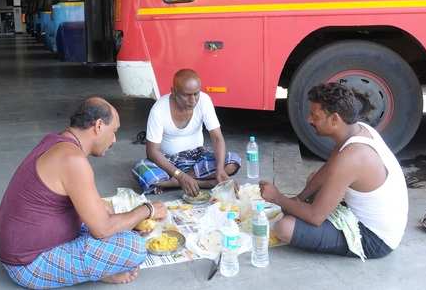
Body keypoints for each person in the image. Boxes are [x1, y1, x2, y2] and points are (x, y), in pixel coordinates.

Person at [0, 97, 167, 288]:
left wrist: (130, 219)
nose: (114, 140)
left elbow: (95, 210)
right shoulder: (72, 160)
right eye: (114, 132)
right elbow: (102, 229)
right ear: (99, 126)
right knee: (133, 247)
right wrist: (147, 210)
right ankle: (94, 272)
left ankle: (96, 270)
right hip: (28, 264)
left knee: (117, 220)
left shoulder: (57, 142)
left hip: (25, 247)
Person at [259, 83, 408, 259]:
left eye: (315, 115)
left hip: (375, 239)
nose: (309, 120)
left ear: (335, 119)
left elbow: (315, 217)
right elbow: (328, 169)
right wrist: (297, 199)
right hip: (371, 219)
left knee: (284, 228)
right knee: (314, 179)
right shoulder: (358, 130)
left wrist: (277, 198)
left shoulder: (352, 157)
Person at [132, 69, 241, 195]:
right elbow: (152, 152)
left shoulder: (204, 101)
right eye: (186, 95)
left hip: (198, 156)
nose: (193, 100)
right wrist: (179, 175)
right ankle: (205, 183)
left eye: (196, 94)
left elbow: (217, 138)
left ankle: (175, 183)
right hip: (169, 162)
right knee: (141, 169)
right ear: (173, 92)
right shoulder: (159, 109)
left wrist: (220, 169)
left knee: (232, 160)